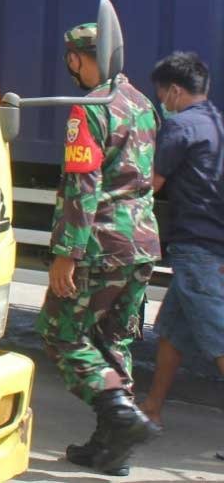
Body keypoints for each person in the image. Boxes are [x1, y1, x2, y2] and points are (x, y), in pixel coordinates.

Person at [36, 22, 162, 476]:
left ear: (76, 57)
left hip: (100, 244)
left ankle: (119, 413)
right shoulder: (142, 104)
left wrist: (66, 253)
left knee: (60, 332)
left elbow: (82, 184)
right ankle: (112, 450)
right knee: (113, 341)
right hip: (142, 243)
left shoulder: (90, 108)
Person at [139, 52, 224, 446]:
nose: (162, 103)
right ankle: (151, 409)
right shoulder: (215, 123)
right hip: (210, 247)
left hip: (197, 248)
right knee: (172, 332)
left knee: (219, 337)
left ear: (174, 91)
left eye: (161, 95)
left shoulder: (180, 127)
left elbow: (150, 184)